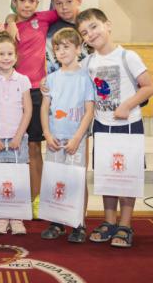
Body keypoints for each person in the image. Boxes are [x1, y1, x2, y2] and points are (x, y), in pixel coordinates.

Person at [75, 8, 153, 248]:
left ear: (107, 25)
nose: (90, 34)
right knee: (108, 176)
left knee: (126, 176)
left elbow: (148, 87)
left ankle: (125, 225)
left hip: (128, 124)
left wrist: (127, 105)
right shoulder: (88, 61)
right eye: (84, 32)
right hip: (102, 124)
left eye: (94, 27)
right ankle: (109, 223)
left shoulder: (127, 56)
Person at [7, 0, 58, 218]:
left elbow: (66, 10)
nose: (27, 5)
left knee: (35, 146)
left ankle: (37, 199)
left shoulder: (44, 18)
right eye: (22, 0)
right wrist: (8, 21)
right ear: (14, 2)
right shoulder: (7, 27)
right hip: (14, 91)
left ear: (37, 2)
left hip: (37, 91)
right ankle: (14, 197)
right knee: (15, 146)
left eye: (31, 0)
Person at [40, 28, 94, 243]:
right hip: (55, 137)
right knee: (56, 178)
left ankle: (79, 222)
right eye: (57, 48)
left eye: (66, 47)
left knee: (77, 180)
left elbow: (89, 110)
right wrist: (46, 132)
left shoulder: (85, 77)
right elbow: (45, 108)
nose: (61, 52)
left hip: (76, 138)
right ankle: (56, 221)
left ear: (78, 48)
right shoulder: (51, 78)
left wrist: (77, 138)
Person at [0, 33, 32, 235]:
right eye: (1, 54)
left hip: (17, 138)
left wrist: (18, 136)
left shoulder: (22, 80)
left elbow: (28, 110)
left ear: (16, 56)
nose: (6, 57)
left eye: (10, 53)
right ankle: (0, 215)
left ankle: (16, 217)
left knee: (17, 178)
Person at [46, 0, 84, 74]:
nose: (64, 7)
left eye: (69, 1)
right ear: (54, 5)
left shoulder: (89, 26)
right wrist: (10, 20)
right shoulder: (48, 28)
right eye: (59, 3)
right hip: (57, 82)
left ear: (79, 1)